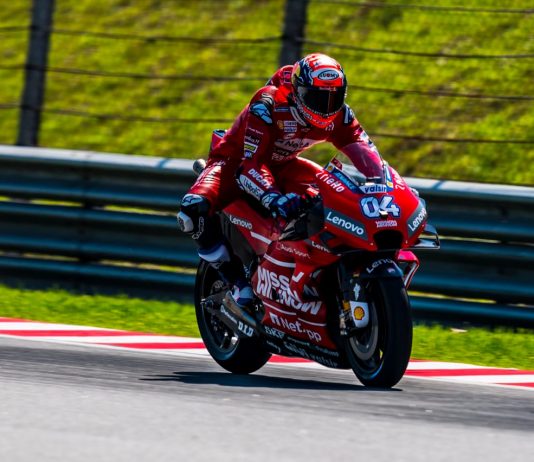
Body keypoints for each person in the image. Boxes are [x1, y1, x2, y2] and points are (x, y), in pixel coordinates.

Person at [177, 53, 382, 311]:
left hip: (285, 165)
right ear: (298, 91)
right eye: (317, 98)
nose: (326, 107)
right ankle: (236, 281)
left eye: (335, 97)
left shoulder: (340, 115)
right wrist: (272, 196)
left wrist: (381, 182)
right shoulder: (268, 105)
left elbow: (365, 150)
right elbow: (249, 165)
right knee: (191, 210)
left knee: (336, 193)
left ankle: (317, 274)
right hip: (234, 163)